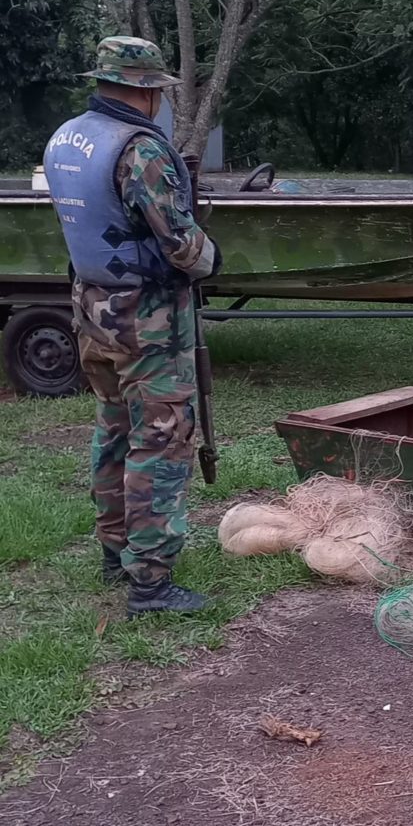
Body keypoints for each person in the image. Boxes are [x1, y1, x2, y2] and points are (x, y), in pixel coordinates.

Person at [43, 36, 220, 618]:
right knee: (162, 439)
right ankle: (150, 581)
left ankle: (113, 549)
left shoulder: (67, 136)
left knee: (114, 427)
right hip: (148, 318)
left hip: (92, 307)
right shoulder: (139, 149)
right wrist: (210, 255)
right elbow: (180, 244)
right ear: (146, 91)